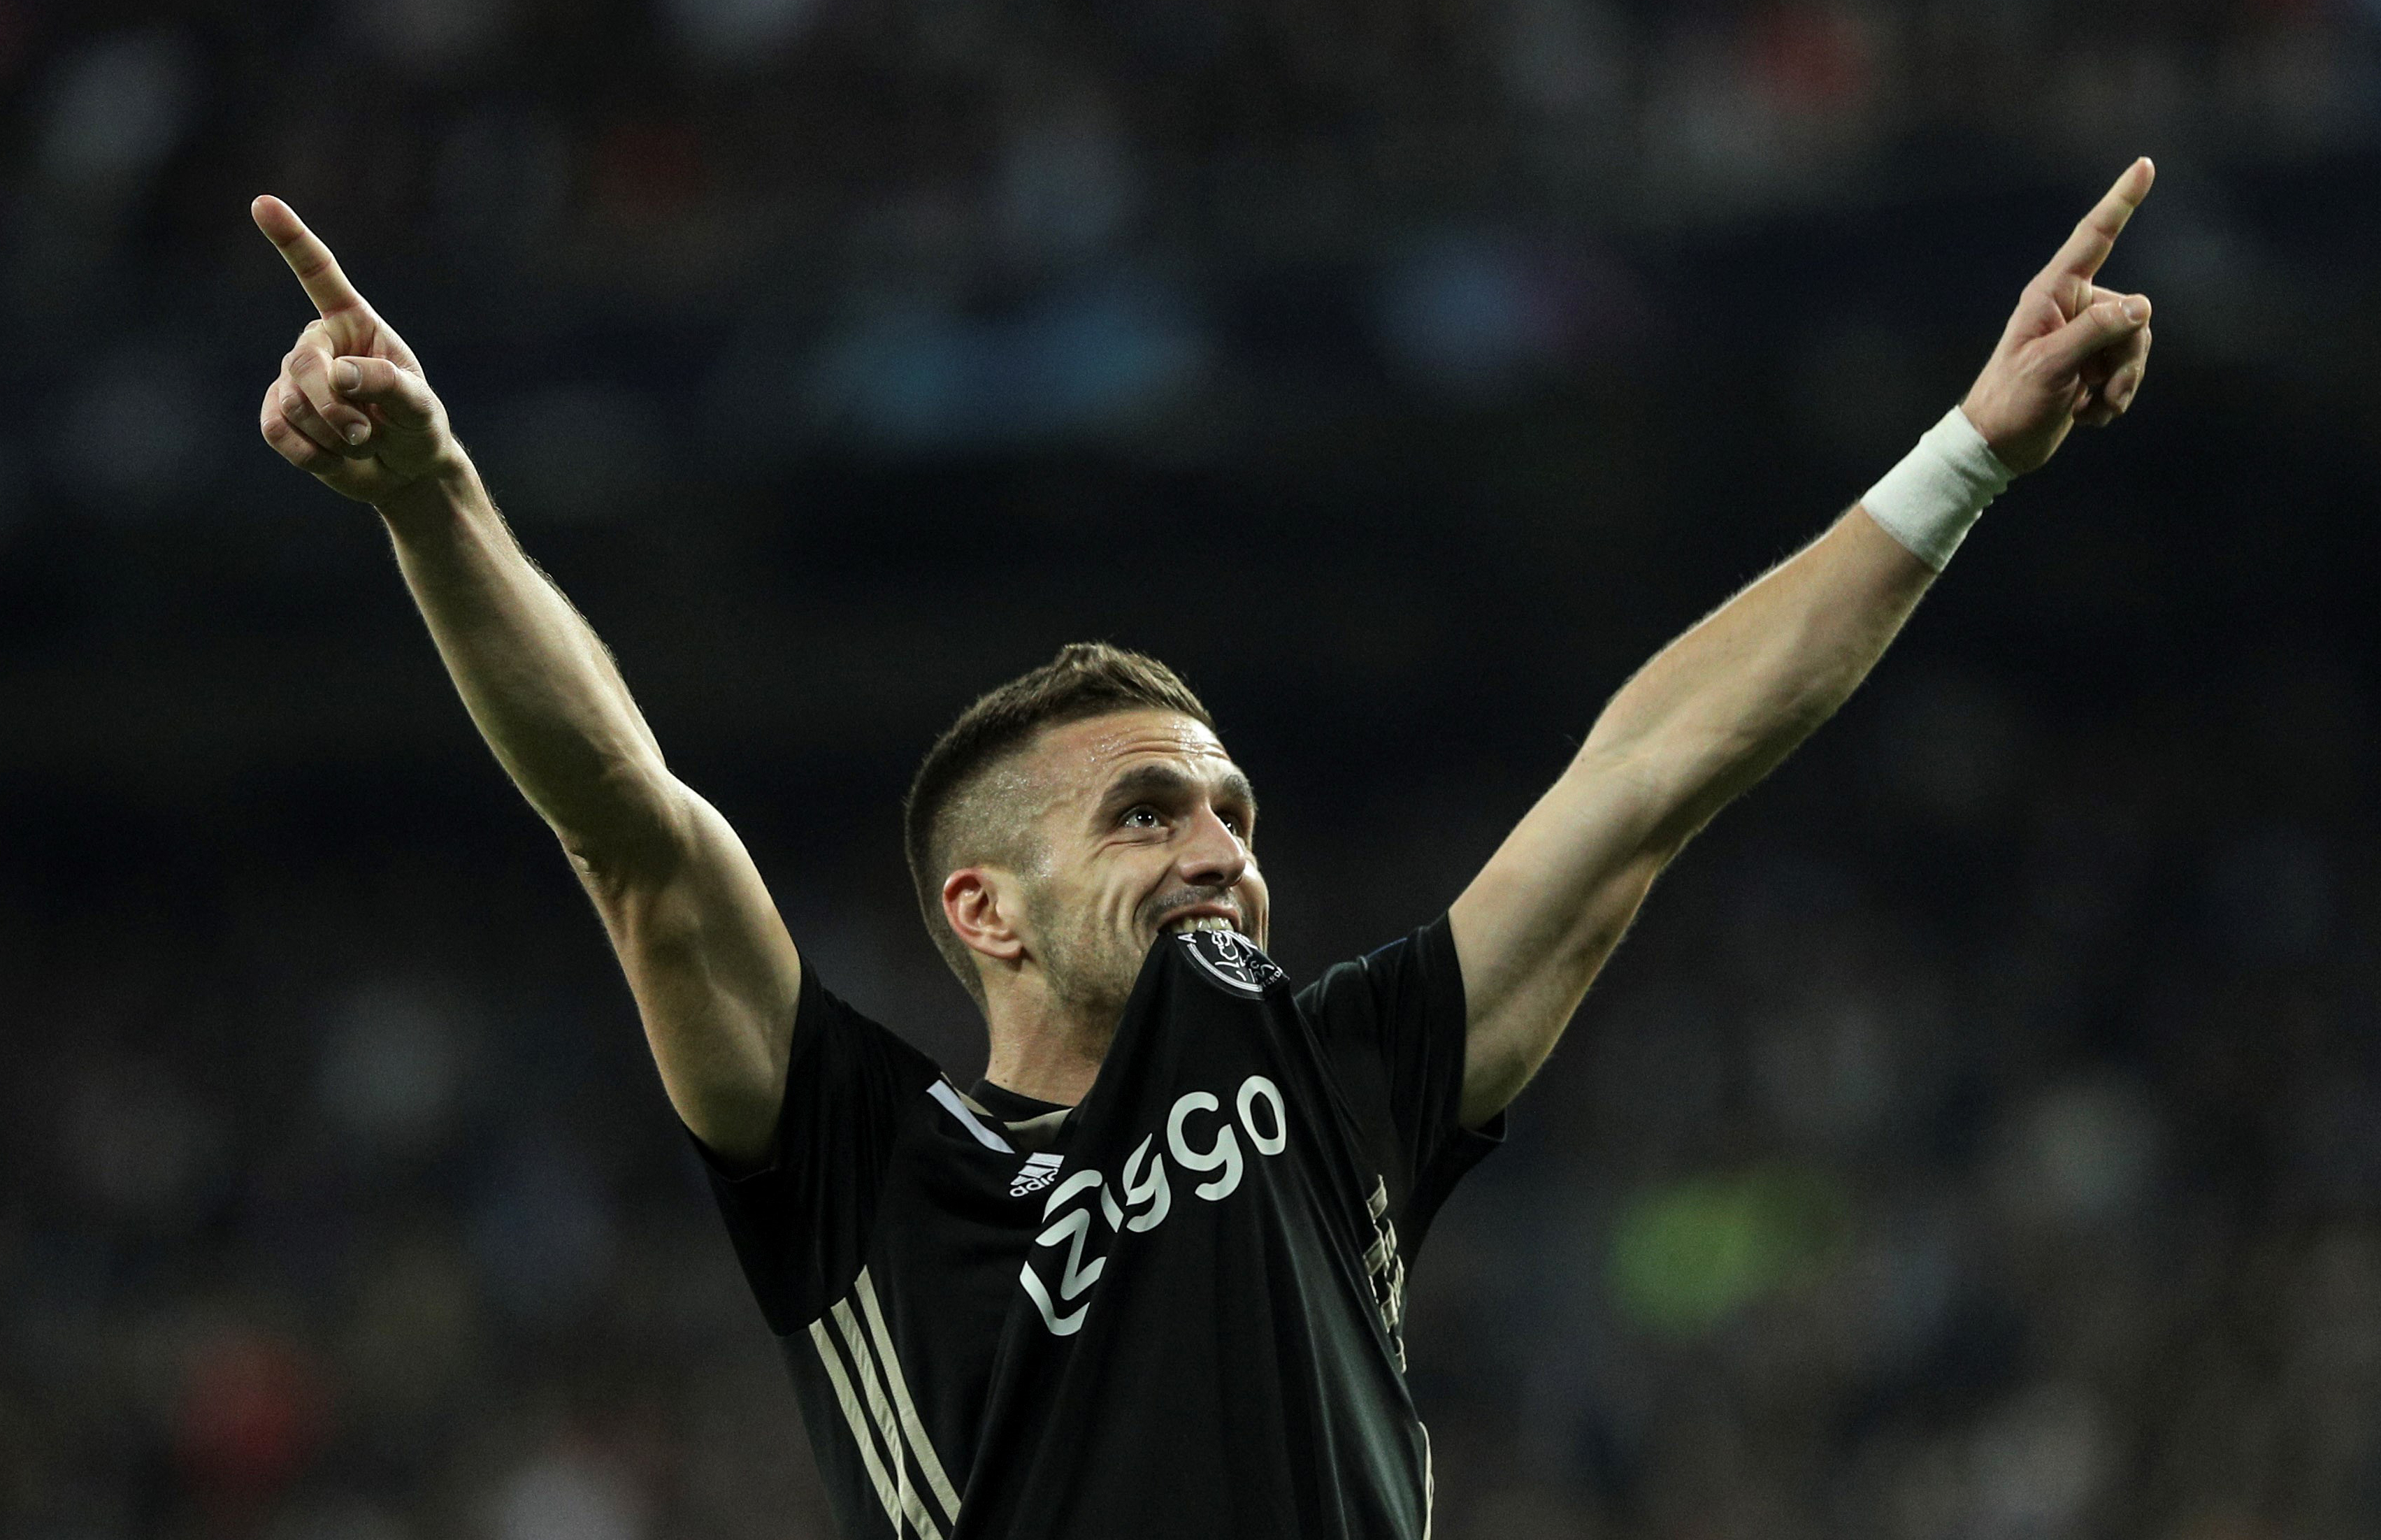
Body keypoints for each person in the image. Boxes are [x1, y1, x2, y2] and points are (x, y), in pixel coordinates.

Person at [250, 158, 2157, 1539]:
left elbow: (1651, 766)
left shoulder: (1329, 1082)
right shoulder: (864, 1171)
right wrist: (434, 497)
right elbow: (637, 835)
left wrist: (1968, 455)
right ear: (976, 907)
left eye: (1234, 810)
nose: (1221, 849)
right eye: (1147, 810)